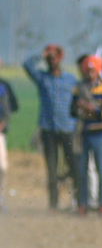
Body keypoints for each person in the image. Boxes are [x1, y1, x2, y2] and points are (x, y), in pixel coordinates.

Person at [23, 44, 79, 210]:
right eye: (49, 58)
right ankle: (53, 205)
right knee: (51, 170)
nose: (52, 60)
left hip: (68, 128)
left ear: (60, 59)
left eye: (55, 57)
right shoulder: (42, 78)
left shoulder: (70, 79)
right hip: (48, 130)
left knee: (74, 167)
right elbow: (27, 65)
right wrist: (41, 55)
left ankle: (77, 202)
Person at [70, 55, 102, 216]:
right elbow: (72, 110)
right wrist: (79, 109)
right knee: (82, 171)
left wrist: (92, 110)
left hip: (100, 135)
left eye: (93, 70)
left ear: (98, 71)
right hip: (84, 134)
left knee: (101, 171)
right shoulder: (79, 89)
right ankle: (82, 204)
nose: (90, 73)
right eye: (87, 70)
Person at [0, 61, 18, 212]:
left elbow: (11, 107)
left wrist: (3, 122)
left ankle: (0, 199)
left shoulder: (3, 86)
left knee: (2, 167)